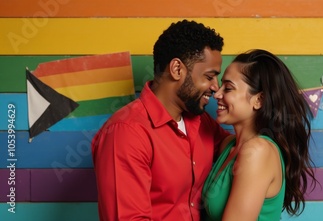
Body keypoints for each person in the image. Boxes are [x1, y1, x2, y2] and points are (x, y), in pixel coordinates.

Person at [91, 20, 232, 221]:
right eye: (209, 76)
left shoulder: (200, 120)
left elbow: (235, 148)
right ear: (176, 69)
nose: (215, 87)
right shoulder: (126, 132)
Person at [202, 49, 318, 221]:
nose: (217, 94)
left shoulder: (258, 151)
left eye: (228, 88)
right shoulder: (228, 145)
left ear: (259, 100)